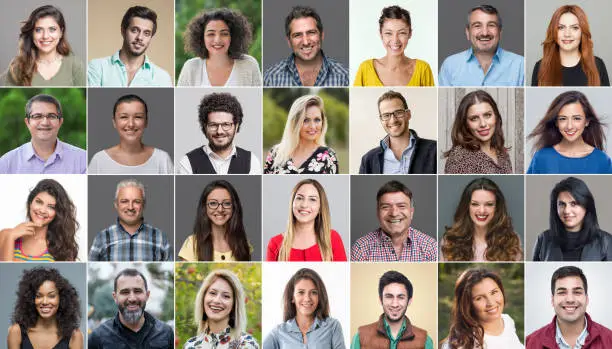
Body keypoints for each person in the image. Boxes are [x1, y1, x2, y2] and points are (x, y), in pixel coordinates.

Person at [525, 266, 612, 348]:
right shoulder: (530, 343)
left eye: (577, 292)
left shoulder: (609, 340)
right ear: (552, 300)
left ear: (587, 299)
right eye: (562, 292)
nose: (570, 299)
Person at [527, 91, 612, 174]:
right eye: (563, 119)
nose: (569, 126)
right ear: (556, 122)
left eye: (576, 118)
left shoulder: (602, 161)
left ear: (587, 121)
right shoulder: (542, 158)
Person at [351, 181, 437, 262]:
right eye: (386, 207)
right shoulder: (361, 249)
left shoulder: (430, 248)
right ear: (378, 212)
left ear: (411, 212)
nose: (394, 213)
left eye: (401, 206)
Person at [439, 5, 524, 86]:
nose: (485, 33)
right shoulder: (450, 65)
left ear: (500, 32)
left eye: (491, 25)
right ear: (468, 32)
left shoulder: (520, 65)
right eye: (477, 26)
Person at [87, 6, 172, 87]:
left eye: (146, 33)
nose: (140, 37)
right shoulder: (97, 67)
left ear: (151, 37)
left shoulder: (162, 78)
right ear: (123, 31)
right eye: (134, 30)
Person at [88, 179, 172, 261]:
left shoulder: (160, 238)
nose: (130, 207)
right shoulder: (102, 238)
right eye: (124, 201)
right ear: (116, 204)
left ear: (143, 205)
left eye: (136, 201)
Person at [178, 92, 261, 174]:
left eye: (226, 124)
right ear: (204, 127)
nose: (219, 131)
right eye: (213, 125)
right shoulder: (187, 163)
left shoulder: (252, 161)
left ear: (236, 127)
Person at [264, 5, 349, 86]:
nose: (305, 42)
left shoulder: (345, 77)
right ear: (289, 41)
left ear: (321, 35)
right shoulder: (271, 78)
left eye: (311, 33)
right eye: (297, 35)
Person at [441, 177, 522, 261]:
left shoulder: (512, 241)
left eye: (489, 204)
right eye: (475, 204)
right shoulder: (450, 241)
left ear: (497, 207)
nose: (482, 211)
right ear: (466, 207)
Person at [0, 94, 86, 174]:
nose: (45, 122)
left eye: (51, 116)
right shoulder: (7, 163)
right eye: (37, 116)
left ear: (60, 122)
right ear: (27, 122)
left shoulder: (83, 160)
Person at [88, 268, 173, 348]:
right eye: (125, 292)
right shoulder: (97, 338)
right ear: (115, 297)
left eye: (138, 291)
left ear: (147, 295)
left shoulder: (166, 333)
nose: (132, 298)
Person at [88, 94, 173, 174]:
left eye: (138, 117)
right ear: (114, 122)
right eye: (124, 117)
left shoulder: (162, 159)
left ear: (146, 121)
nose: (131, 124)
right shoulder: (99, 160)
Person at [1, 5, 84, 86]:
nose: (45, 36)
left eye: (52, 29)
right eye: (38, 30)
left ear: (61, 32)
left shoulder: (74, 65)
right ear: (32, 33)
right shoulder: (18, 65)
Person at [441, 268, 523, 349]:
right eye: (479, 298)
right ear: (467, 304)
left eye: (494, 292)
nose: (491, 303)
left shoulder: (507, 320)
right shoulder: (462, 344)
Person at [533, 177, 612, 261]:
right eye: (562, 204)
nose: (567, 211)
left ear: (586, 205)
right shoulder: (543, 239)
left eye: (573, 204)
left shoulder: (606, 242)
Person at [266, 179, 347, 261]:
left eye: (312, 199)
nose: (304, 205)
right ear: (292, 203)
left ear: (320, 207)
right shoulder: (275, 243)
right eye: (299, 198)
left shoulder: (332, 238)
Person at [0, 179, 79, 262]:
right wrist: (11, 236)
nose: (42, 210)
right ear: (30, 203)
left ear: (57, 213)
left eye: (51, 207)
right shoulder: (6, 235)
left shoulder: (62, 249)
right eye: (39, 202)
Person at [178, 8, 261, 86]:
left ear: (233, 36)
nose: (217, 40)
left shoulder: (249, 65)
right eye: (211, 34)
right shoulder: (190, 67)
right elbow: (180, 100)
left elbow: (258, 100)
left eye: (224, 34)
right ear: (201, 38)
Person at [359, 90, 437, 174]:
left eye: (398, 112)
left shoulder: (434, 150)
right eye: (386, 115)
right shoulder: (368, 160)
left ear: (408, 114)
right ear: (381, 119)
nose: (393, 120)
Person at [354, 6, 434, 87]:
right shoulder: (365, 69)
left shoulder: (423, 69)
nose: (395, 40)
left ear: (410, 34)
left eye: (402, 33)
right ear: (381, 34)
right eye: (388, 33)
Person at [264, 268, 344, 349]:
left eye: (314, 292)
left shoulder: (333, 326)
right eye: (301, 292)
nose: (307, 298)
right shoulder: (278, 332)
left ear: (319, 297)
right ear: (292, 297)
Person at [351, 270, 434, 349]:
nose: (395, 304)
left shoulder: (425, 340)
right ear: (380, 300)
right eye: (389, 297)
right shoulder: (360, 337)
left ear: (409, 301)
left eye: (401, 297)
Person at [532, 5, 609, 86]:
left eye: (574, 28)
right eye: (561, 27)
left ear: (582, 32)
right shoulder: (540, 67)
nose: (567, 34)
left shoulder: (597, 65)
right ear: (553, 31)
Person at [7, 267, 83, 349]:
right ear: (31, 299)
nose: (45, 302)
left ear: (61, 298)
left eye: (51, 296)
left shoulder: (75, 336)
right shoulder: (16, 332)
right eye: (38, 296)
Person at [184, 269, 259, 349]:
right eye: (212, 293)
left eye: (226, 296)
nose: (217, 300)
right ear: (203, 297)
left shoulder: (246, 345)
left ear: (234, 304)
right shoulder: (191, 345)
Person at [178, 180, 251, 261]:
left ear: (234, 207)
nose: (220, 209)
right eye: (213, 203)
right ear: (204, 207)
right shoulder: (192, 244)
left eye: (226, 203)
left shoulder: (243, 243)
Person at [264, 95, 338, 174]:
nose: (312, 126)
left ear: (323, 122)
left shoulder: (328, 156)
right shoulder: (275, 153)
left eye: (317, 120)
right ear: (295, 122)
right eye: (306, 120)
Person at [444, 90, 513, 174]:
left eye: (487, 115)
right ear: (465, 123)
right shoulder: (459, 158)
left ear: (496, 116)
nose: (483, 124)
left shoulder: (502, 153)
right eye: (474, 118)